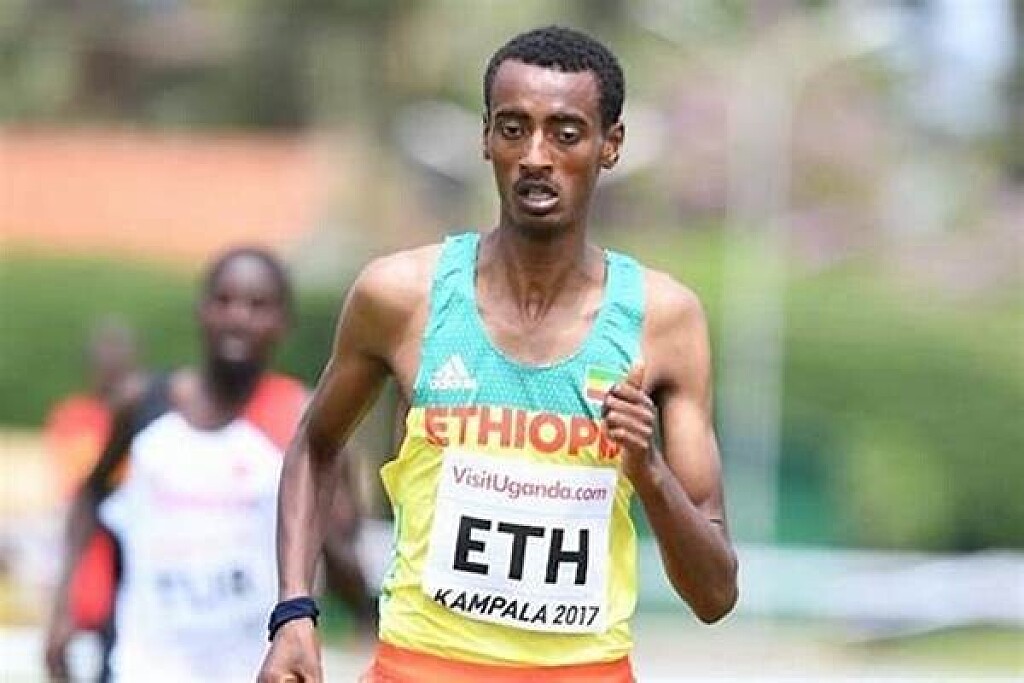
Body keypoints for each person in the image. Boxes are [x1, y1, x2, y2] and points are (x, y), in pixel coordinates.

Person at [259, 25, 739, 683]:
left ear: (611, 144)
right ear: (486, 138)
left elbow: (715, 594)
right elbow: (315, 446)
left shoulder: (662, 320)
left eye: (566, 133)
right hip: (418, 670)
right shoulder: (403, 295)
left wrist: (649, 469)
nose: (536, 155)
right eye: (514, 129)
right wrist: (293, 612)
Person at [45, 247, 376, 682]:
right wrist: (64, 607)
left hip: (251, 668)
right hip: (141, 665)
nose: (238, 317)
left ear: (283, 322)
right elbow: (91, 497)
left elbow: (345, 559)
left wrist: (362, 604)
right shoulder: (143, 406)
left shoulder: (304, 423)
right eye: (224, 300)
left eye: (258, 305)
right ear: (201, 310)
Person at [43, 319, 141, 680]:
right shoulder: (74, 418)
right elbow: (78, 492)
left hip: (135, 573)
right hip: (90, 569)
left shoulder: (147, 417)